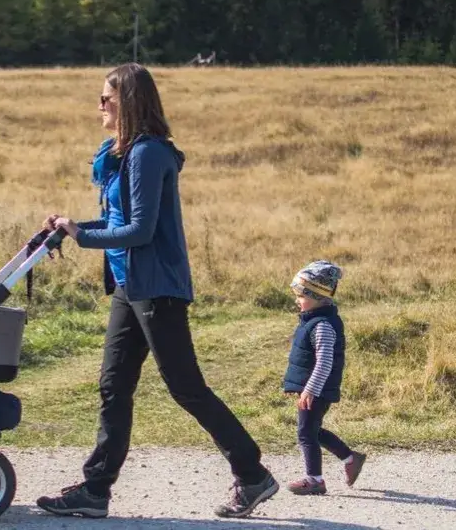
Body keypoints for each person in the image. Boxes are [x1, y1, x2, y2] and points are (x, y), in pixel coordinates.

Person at [35, 63, 279, 519]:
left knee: (186, 388)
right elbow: (117, 222)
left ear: (127, 102)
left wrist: (81, 236)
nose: (99, 107)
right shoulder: (123, 155)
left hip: (156, 288)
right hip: (129, 286)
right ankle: (95, 490)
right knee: (113, 386)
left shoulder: (147, 154)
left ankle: (252, 474)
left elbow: (139, 231)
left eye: (105, 99)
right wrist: (71, 227)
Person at [283, 260, 367, 495]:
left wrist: (310, 389)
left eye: (301, 295)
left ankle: (315, 480)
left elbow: (324, 362)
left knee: (306, 433)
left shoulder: (322, 326)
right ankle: (351, 459)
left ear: (317, 296)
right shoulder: (313, 320)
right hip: (313, 388)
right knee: (313, 430)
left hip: (317, 389)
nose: (297, 300)